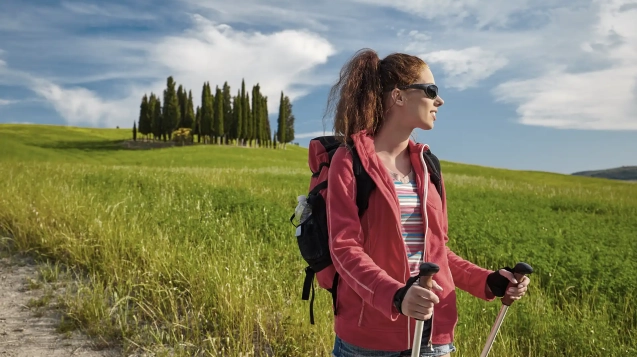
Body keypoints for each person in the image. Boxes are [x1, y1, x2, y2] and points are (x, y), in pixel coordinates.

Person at [324, 48, 530, 357]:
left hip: (434, 337)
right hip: (370, 341)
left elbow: (438, 253)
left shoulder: (427, 164)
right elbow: (344, 249)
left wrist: (487, 281)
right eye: (431, 90)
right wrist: (396, 296)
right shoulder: (350, 160)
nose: (440, 100)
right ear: (399, 96)